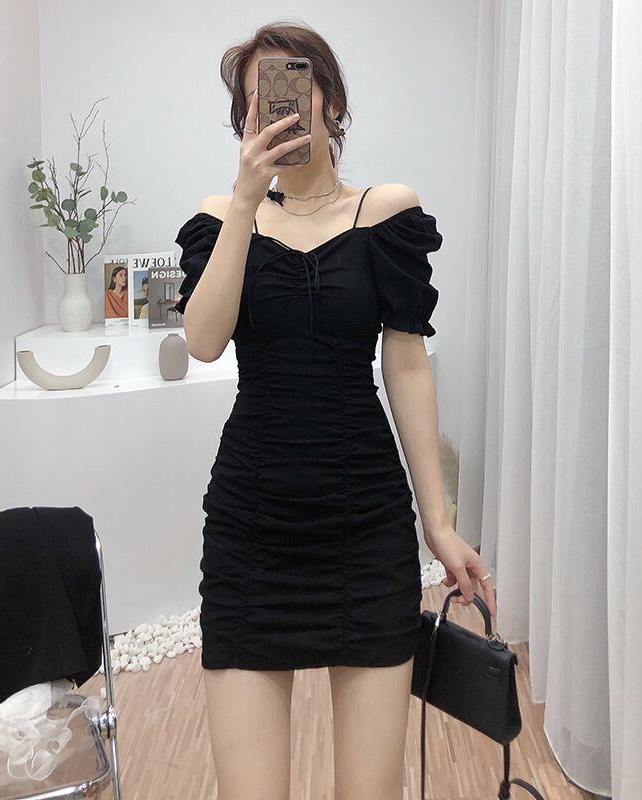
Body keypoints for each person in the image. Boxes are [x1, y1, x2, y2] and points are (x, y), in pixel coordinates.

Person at [174, 23, 497, 800]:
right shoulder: (224, 217)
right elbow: (205, 341)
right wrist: (246, 199)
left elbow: (407, 365)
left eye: (294, 85)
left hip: (365, 527)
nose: (280, 108)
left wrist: (439, 523)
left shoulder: (387, 213)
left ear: (331, 99)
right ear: (245, 121)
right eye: (258, 100)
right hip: (251, 530)